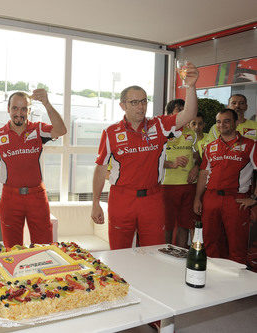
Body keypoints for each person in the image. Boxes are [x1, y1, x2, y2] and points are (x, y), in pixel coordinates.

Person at [92, 62, 199, 250]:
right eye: (134, 102)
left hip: (153, 198)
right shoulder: (110, 132)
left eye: (143, 101)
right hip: (121, 198)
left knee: (154, 251)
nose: (140, 107)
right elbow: (100, 169)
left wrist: (190, 86)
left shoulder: (159, 125)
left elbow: (189, 114)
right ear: (123, 105)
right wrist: (95, 203)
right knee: (119, 251)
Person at [0, 90, 67, 248]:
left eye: (24, 109)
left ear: (29, 111)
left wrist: (47, 103)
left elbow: (61, 130)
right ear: (8, 109)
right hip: (10, 197)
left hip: (36, 197)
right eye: (15, 108)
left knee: (44, 247)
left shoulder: (38, 130)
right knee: (12, 249)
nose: (19, 113)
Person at [194, 108, 255, 264]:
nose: (222, 125)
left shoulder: (250, 145)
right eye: (218, 121)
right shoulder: (210, 147)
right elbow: (203, 174)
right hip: (211, 198)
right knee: (210, 243)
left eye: (226, 121)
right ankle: (213, 278)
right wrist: (197, 199)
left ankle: (237, 284)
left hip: (236, 201)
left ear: (235, 123)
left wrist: (254, 198)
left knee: (237, 246)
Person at [161, 99, 199, 248]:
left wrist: (196, 167)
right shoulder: (163, 133)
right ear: (170, 114)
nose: (185, 114)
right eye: (180, 110)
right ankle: (164, 254)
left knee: (184, 223)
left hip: (189, 185)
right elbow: (152, 161)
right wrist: (172, 164)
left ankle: (181, 254)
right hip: (166, 185)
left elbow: (197, 156)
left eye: (186, 110)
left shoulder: (191, 133)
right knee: (167, 224)